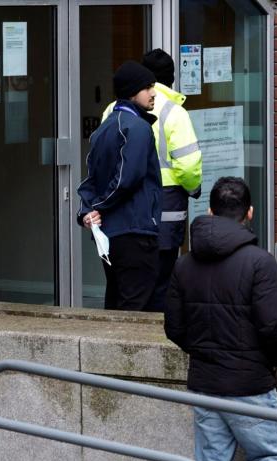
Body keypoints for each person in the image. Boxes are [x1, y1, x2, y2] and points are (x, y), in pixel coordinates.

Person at [165, 176, 277, 461]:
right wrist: (273, 361)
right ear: (249, 214)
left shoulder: (185, 264)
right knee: (271, 456)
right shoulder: (259, 262)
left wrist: (203, 352)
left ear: (211, 212)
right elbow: (271, 327)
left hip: (204, 382)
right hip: (250, 381)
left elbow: (174, 327)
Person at [104, 49, 203, 312]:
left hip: (121, 216)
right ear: (171, 79)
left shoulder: (112, 110)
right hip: (165, 209)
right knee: (158, 289)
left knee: (120, 287)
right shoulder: (175, 113)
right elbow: (189, 165)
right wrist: (194, 188)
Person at [77, 61, 162, 311]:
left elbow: (90, 180)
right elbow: (127, 178)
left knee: (116, 301)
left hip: (111, 234)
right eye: (148, 87)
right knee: (135, 307)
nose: (154, 93)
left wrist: (86, 212)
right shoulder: (138, 128)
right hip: (135, 232)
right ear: (132, 91)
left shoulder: (104, 128)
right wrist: (98, 209)